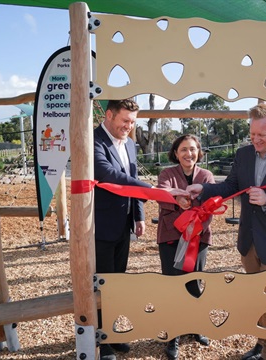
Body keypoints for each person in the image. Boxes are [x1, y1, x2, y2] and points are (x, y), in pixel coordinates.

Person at [187, 102, 266, 360]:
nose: (255, 139)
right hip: (249, 240)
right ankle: (260, 345)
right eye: (252, 134)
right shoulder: (244, 154)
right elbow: (230, 187)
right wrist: (202, 190)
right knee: (255, 298)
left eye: (261, 135)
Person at [94, 99, 188, 360]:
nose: (129, 126)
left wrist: (139, 214)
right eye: (125, 121)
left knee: (117, 281)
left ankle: (111, 334)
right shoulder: (93, 141)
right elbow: (108, 174)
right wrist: (154, 190)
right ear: (109, 115)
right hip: (100, 226)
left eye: (133, 122)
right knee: (102, 283)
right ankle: (101, 342)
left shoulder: (132, 144)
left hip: (123, 224)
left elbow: (131, 177)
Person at [156, 135, 215, 360]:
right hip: (171, 236)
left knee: (194, 283)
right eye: (183, 150)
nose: (188, 154)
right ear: (176, 152)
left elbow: (210, 206)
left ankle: (195, 325)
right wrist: (181, 217)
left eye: (192, 149)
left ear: (198, 152)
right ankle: (173, 335)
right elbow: (162, 197)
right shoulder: (167, 174)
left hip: (199, 238)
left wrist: (195, 227)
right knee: (173, 285)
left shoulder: (206, 176)